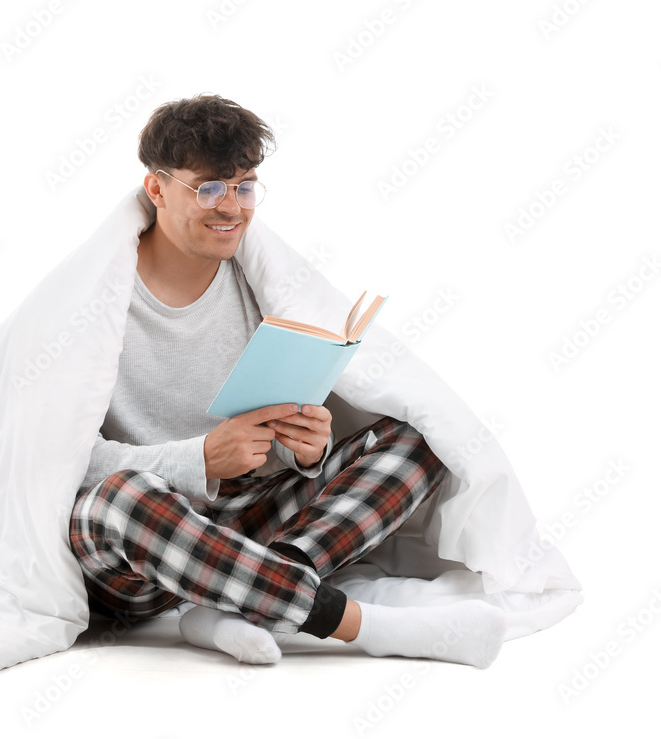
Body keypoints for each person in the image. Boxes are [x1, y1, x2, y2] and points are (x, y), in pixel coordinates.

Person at [67, 93, 508, 669]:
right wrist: (196, 459)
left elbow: (278, 423)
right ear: (156, 189)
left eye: (244, 186)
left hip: (251, 523)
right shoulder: (95, 301)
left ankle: (241, 601)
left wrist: (308, 447)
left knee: (423, 435)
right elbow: (61, 455)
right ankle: (362, 625)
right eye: (207, 188)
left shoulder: (255, 279)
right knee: (119, 501)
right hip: (144, 548)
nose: (230, 207)